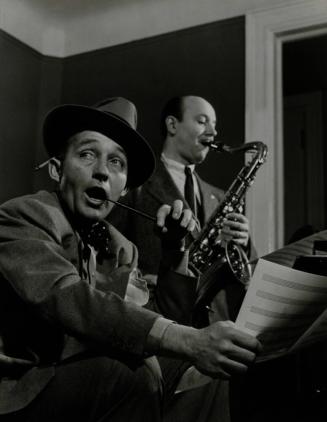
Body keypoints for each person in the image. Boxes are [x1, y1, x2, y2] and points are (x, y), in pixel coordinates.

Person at [0, 97, 261, 422]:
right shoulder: (25, 214)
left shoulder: (119, 246)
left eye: (117, 163)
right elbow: (69, 298)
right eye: (87, 154)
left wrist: (173, 251)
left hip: (74, 376)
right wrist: (190, 340)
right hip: (22, 390)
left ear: (123, 190)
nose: (102, 173)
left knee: (200, 371)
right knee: (132, 375)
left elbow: (148, 321)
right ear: (57, 169)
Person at [108, 95, 257, 421]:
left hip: (214, 324)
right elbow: (111, 253)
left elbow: (247, 268)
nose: (212, 132)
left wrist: (243, 244)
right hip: (157, 319)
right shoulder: (133, 183)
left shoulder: (218, 194)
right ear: (172, 125)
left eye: (215, 125)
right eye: (203, 121)